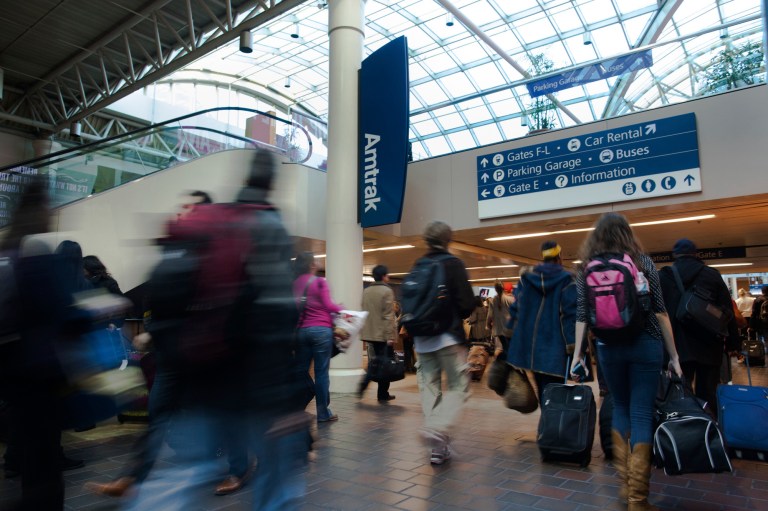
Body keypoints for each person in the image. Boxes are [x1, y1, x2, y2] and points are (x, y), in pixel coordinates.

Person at [571, 212, 682, 511]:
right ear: (627, 234)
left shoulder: (586, 269)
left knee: (620, 406)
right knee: (642, 413)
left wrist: (577, 356)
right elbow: (660, 311)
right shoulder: (642, 263)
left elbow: (581, 315)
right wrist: (674, 356)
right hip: (645, 344)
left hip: (608, 347)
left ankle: (624, 488)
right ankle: (638, 499)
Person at [411, 221, 475, 465]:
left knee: (430, 388)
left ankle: (438, 447)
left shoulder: (419, 265)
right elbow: (467, 302)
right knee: (459, 387)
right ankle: (437, 429)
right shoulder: (453, 264)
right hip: (448, 336)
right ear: (448, 240)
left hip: (422, 339)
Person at [659, 238, 740, 409]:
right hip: (709, 344)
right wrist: (734, 342)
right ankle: (710, 428)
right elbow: (727, 312)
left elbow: (658, 312)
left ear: (675, 255)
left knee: (681, 391)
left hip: (678, 346)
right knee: (709, 392)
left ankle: (688, 427)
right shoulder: (712, 275)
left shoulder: (664, 276)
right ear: (696, 254)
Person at [506, 241, 576, 398]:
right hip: (556, 350)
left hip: (531, 351)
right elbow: (569, 316)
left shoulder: (527, 279)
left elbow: (516, 310)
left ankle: (546, 420)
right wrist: (574, 348)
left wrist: (509, 339)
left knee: (543, 394)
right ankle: (549, 421)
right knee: (555, 396)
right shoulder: (567, 280)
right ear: (560, 256)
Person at [293, 251, 344, 423]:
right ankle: (323, 413)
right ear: (311, 265)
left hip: (301, 331)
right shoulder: (320, 282)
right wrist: (341, 308)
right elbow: (329, 305)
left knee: (301, 372)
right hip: (321, 331)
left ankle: (297, 409)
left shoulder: (295, 284)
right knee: (321, 373)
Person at [357, 264, 397, 403]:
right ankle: (367, 386)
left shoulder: (366, 291)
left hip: (370, 333)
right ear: (384, 276)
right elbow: (388, 316)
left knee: (377, 361)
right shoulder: (387, 291)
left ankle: (381, 392)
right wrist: (390, 336)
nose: (389, 277)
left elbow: (363, 310)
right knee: (381, 362)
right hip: (382, 334)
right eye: (387, 274)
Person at [486, 281, 513, 355]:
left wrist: (488, 325)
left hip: (499, 329)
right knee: (510, 346)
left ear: (495, 289)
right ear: (503, 288)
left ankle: (507, 361)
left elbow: (490, 315)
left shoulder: (493, 301)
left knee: (505, 346)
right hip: (510, 327)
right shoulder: (510, 299)